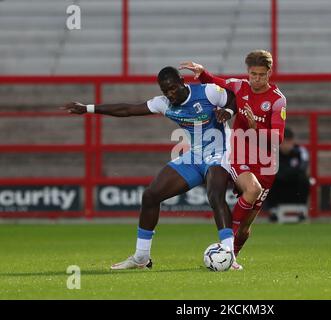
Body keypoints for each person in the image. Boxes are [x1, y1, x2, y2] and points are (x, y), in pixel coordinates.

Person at [61, 66, 237, 270]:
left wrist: (229, 110)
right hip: (194, 156)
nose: (170, 94)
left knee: (215, 196)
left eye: (172, 88)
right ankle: (141, 257)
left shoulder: (208, 91)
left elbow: (233, 96)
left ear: (182, 81)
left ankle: (229, 254)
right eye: (165, 91)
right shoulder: (163, 103)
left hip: (219, 152)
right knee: (150, 196)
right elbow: (127, 110)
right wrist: (88, 108)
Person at [180, 50, 287, 270]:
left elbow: (278, 139)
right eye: (252, 74)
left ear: (270, 73)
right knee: (252, 189)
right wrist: (202, 72)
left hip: (266, 164)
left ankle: (231, 257)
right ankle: (225, 246)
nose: (256, 79)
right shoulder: (240, 87)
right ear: (247, 72)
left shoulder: (277, 100)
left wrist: (255, 128)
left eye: (261, 75)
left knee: (246, 227)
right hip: (239, 155)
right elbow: (216, 82)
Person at [265, 127, 310, 222]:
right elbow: (271, 169)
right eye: (283, 142)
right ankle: (273, 210)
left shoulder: (301, 151)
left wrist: (284, 172)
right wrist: (289, 172)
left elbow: (302, 169)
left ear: (293, 141)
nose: (286, 145)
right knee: (269, 179)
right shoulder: (272, 152)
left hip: (295, 187)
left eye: (289, 142)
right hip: (279, 186)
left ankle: (302, 210)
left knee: (304, 179)